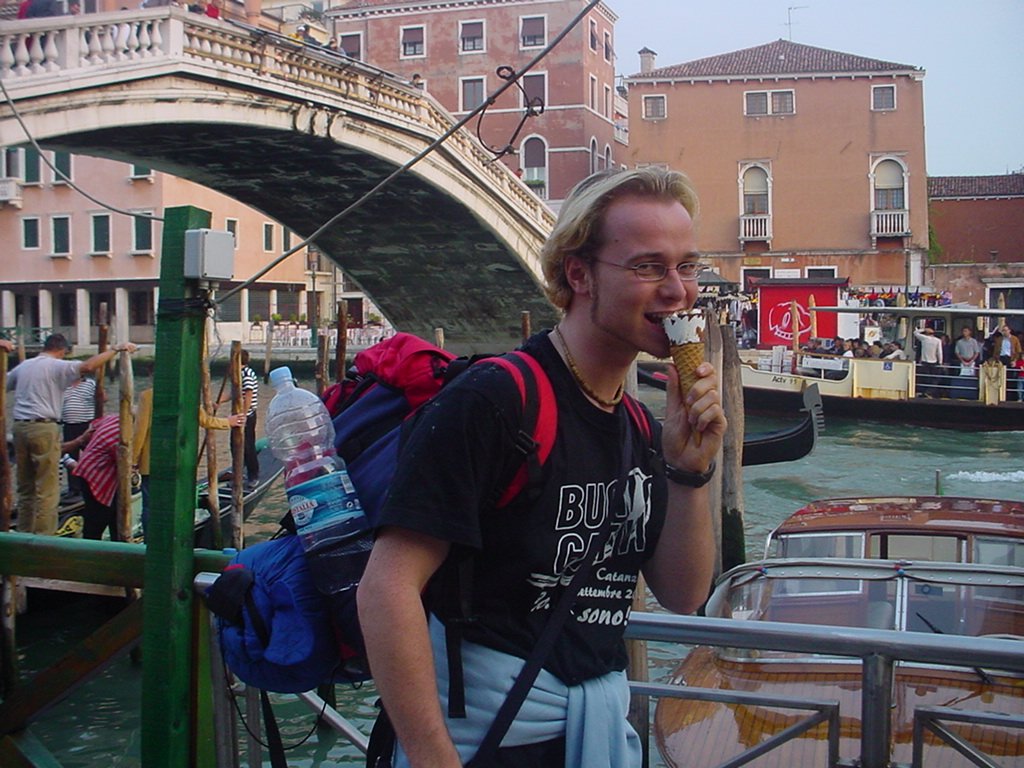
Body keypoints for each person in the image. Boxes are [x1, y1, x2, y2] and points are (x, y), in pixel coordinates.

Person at [357, 167, 727, 768]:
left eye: (686, 266)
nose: (678, 291)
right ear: (578, 274)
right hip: (485, 739)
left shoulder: (636, 424)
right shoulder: (496, 400)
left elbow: (684, 596)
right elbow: (386, 586)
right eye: (648, 266)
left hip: (590, 732)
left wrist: (688, 470)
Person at [7, 335, 137, 535]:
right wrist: (115, 350)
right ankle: (44, 542)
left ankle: (24, 533)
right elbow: (87, 367)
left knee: (26, 489)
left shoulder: (24, 366)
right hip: (44, 428)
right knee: (47, 491)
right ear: (62, 351)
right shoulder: (56, 366)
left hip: (19, 428)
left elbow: (3, 384)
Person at [913, 326, 943, 397]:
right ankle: (929, 392)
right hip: (934, 362)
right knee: (934, 379)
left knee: (924, 378)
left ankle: (923, 392)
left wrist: (923, 329)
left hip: (924, 362)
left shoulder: (924, 338)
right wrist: (940, 362)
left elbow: (915, 333)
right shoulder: (938, 340)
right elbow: (939, 352)